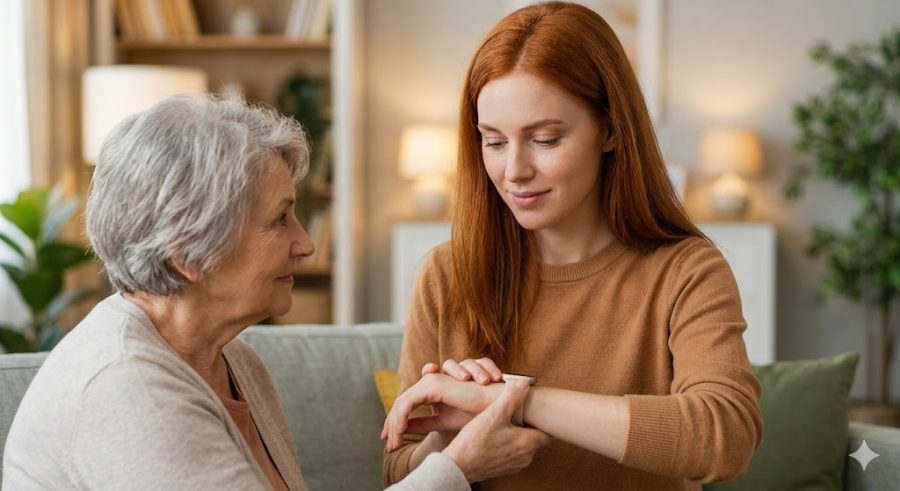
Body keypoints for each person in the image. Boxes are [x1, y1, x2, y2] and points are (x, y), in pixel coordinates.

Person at [1, 94, 548, 490]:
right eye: (281, 219)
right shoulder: (124, 389)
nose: (306, 243)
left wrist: (445, 447)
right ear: (189, 253)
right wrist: (458, 470)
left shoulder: (236, 360)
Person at [382, 2, 763, 490]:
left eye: (544, 139)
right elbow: (396, 468)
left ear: (608, 129)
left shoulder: (686, 270)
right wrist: (458, 439)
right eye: (493, 142)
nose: (514, 170)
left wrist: (513, 399)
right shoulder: (446, 273)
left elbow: (724, 436)